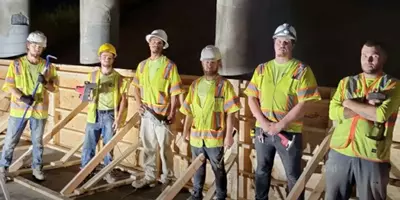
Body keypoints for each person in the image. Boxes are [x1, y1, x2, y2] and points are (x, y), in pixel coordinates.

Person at [244, 23, 321, 200]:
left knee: (293, 176)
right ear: (274, 42)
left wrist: (280, 125)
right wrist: (264, 124)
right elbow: (251, 97)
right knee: (262, 172)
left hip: (289, 133)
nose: (282, 45)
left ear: (293, 45)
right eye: (279, 41)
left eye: (287, 42)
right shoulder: (262, 69)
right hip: (263, 131)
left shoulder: (301, 70)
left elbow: (306, 103)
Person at [325, 40, 400, 200]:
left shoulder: (392, 85)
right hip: (340, 152)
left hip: (372, 155)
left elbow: (379, 115)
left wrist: (348, 102)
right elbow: (333, 112)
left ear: (383, 59)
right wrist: (366, 107)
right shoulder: (346, 82)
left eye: (374, 56)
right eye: (364, 55)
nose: (368, 60)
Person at [180, 45, 242, 200]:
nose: (209, 64)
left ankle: (220, 196)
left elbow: (231, 112)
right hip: (196, 138)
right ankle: (196, 195)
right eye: (206, 61)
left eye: (212, 62)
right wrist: (185, 131)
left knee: (218, 170)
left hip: (215, 139)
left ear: (218, 63)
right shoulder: (195, 85)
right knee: (197, 169)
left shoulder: (224, 85)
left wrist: (229, 136)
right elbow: (189, 111)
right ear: (202, 63)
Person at [0, 31, 59, 181]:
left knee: (38, 143)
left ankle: (37, 169)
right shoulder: (17, 64)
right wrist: (22, 97)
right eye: (34, 45)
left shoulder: (48, 67)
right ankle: (3, 169)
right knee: (10, 141)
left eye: (40, 47)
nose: (37, 49)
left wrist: (45, 82)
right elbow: (9, 85)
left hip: (39, 112)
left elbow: (55, 89)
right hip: (19, 110)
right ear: (28, 45)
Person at [131, 29, 185, 188]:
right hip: (147, 113)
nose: (156, 44)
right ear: (149, 44)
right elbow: (135, 86)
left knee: (165, 148)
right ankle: (150, 176)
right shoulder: (142, 65)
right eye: (153, 41)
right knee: (148, 146)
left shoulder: (169, 66)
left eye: (159, 42)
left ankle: (167, 177)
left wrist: (173, 111)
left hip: (162, 115)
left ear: (163, 46)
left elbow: (175, 91)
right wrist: (138, 103)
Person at [80, 43, 129, 183]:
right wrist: (85, 93)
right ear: (100, 58)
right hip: (94, 114)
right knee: (89, 144)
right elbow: (85, 96)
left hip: (110, 115)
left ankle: (108, 171)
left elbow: (124, 100)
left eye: (109, 57)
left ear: (113, 59)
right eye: (104, 56)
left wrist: (119, 118)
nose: (106, 59)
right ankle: (85, 171)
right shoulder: (92, 75)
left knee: (109, 145)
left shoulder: (119, 78)